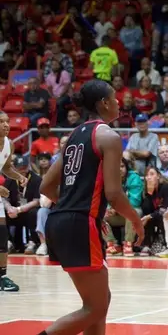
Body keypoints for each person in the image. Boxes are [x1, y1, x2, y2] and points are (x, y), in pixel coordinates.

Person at [39, 80, 145, 335]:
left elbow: (46, 186)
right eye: (115, 98)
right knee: (95, 308)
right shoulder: (108, 136)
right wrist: (136, 220)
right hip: (79, 223)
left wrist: (74, 206)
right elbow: (114, 194)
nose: (119, 102)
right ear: (104, 103)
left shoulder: (74, 135)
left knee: (100, 302)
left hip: (62, 220)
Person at [0, 111, 30, 292]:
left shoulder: (8, 144)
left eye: (7, 121)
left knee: (2, 235)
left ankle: (2, 277)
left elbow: (6, 167)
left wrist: (19, 177)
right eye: (1, 121)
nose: (5, 125)